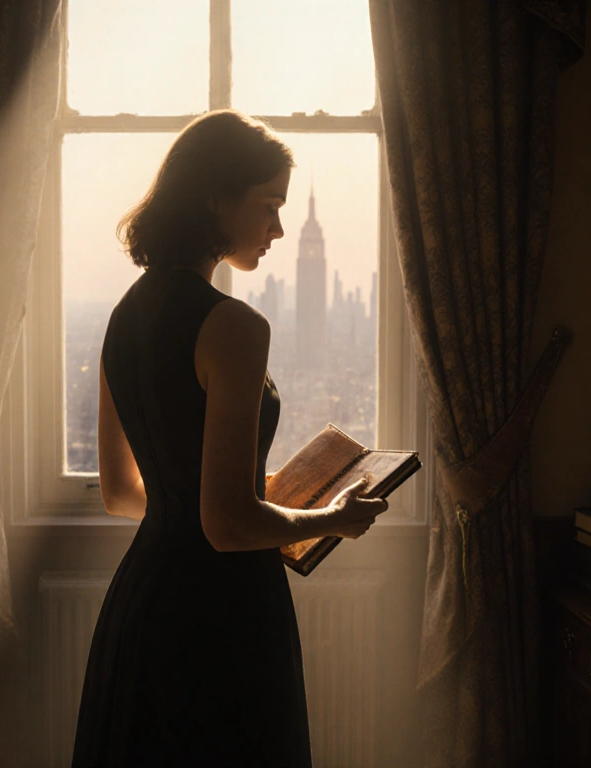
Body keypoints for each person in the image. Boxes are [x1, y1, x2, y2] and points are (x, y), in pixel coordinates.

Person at [70, 110, 390, 767]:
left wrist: (223, 499)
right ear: (215, 198)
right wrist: (334, 518)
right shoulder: (234, 326)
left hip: (142, 605)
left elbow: (121, 493)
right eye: (269, 204)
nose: (276, 227)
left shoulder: (125, 317)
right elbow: (226, 526)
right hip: (218, 617)